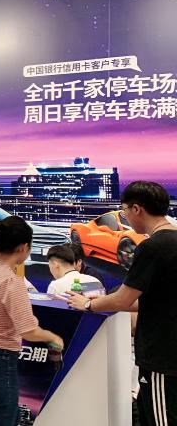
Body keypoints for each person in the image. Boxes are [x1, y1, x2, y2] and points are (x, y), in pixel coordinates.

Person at [67, 181, 177, 426]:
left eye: (125, 210)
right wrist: (103, 302)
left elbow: (124, 297)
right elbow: (155, 301)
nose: (126, 216)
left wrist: (88, 304)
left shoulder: (153, 246)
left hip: (162, 357)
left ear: (137, 209)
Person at [0, 216, 64, 426]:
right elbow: (28, 330)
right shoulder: (11, 280)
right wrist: (53, 337)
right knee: (2, 419)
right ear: (23, 247)